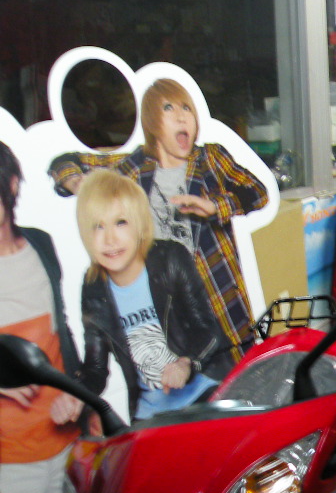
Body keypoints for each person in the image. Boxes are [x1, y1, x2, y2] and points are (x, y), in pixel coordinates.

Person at [50, 79, 267, 364]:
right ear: (152, 123)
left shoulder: (210, 158)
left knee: (241, 380)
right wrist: (76, 182)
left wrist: (215, 206)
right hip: (169, 314)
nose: (181, 117)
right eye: (169, 108)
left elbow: (257, 192)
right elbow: (66, 162)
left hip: (220, 300)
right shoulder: (134, 167)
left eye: (186, 108)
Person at [75, 170, 225, 420]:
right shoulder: (93, 287)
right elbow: (96, 370)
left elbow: (208, 329)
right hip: (149, 414)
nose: (110, 239)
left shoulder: (170, 259)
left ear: (140, 224)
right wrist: (73, 395)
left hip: (204, 396)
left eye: (120, 222)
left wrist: (185, 363)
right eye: (97, 226)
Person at [0, 141, 83, 493]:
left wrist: (79, 393)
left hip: (66, 444)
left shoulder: (40, 244)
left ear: (12, 185)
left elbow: (61, 330)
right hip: (10, 465)